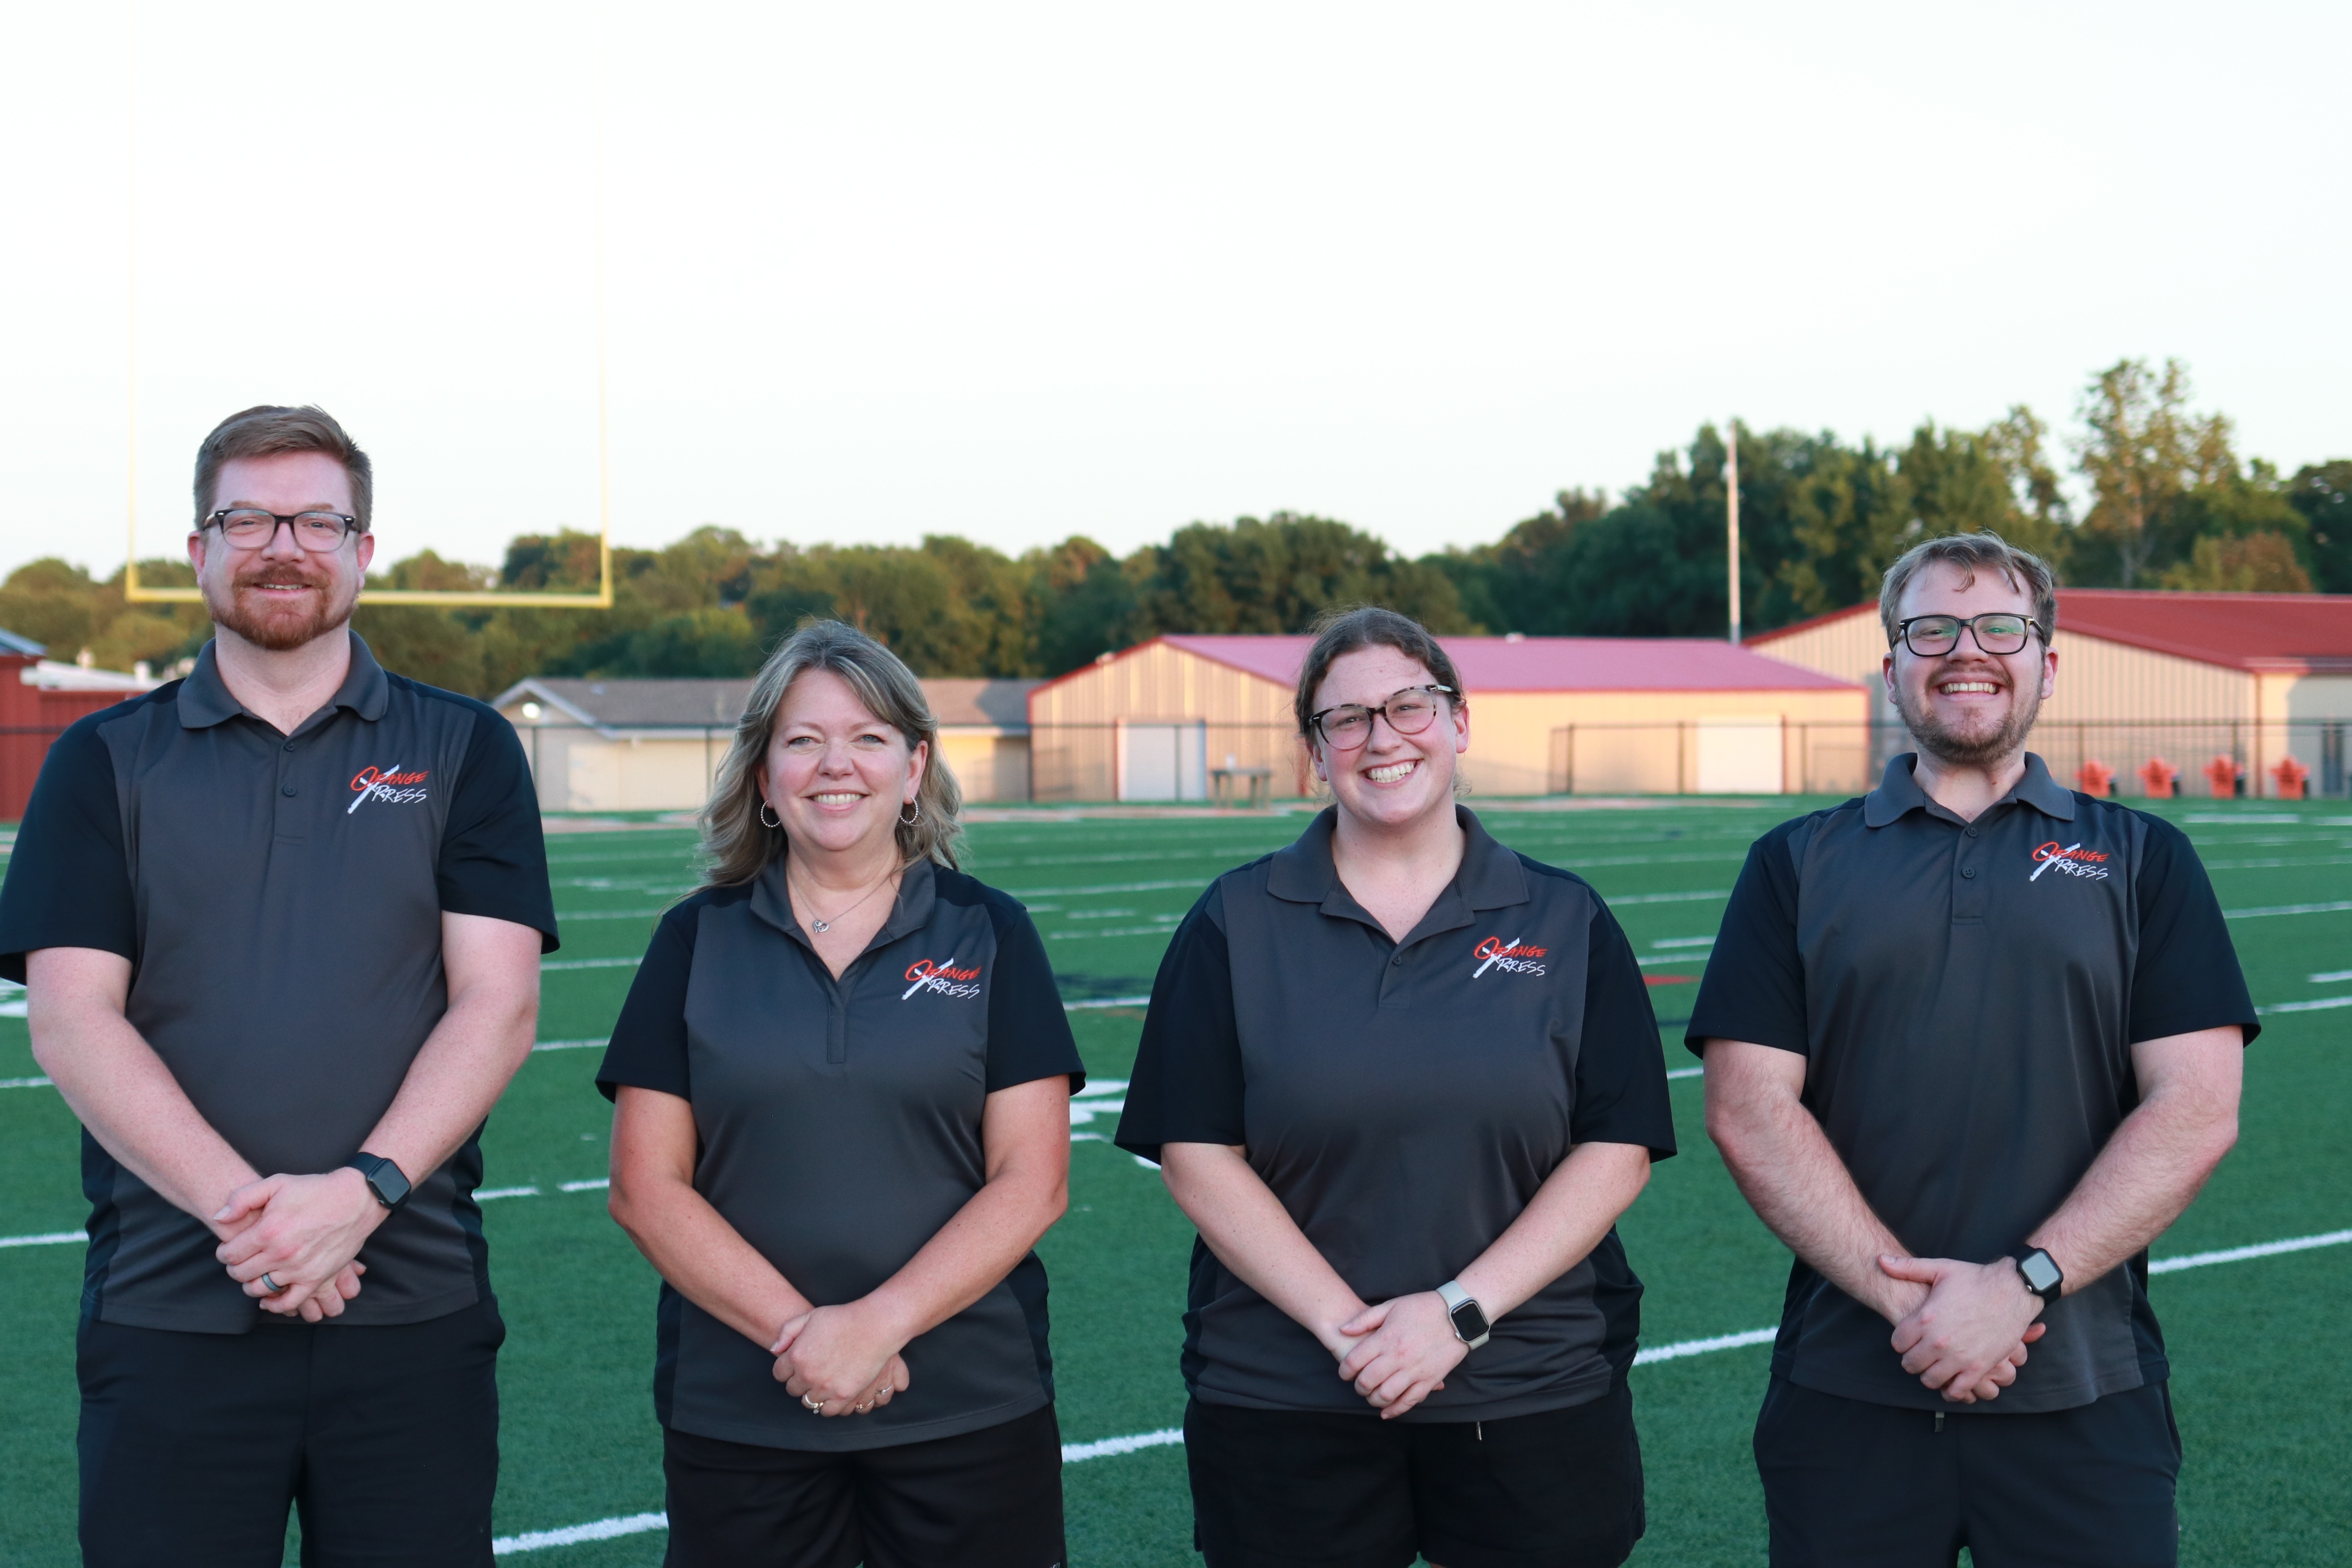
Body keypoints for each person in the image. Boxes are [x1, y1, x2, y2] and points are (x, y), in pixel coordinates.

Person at [0, 405, 557, 1565]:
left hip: (409, 1306)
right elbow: (69, 1019)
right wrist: (258, 1228)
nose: (283, 545)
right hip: (171, 1308)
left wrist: (359, 1194)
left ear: (363, 548)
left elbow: (496, 1005)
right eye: (246, 517)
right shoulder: (101, 759)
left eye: (317, 518)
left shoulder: (466, 747)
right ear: (200, 549)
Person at [1691, 531, 2257, 1567]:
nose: (1967, 650)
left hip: (2087, 1393)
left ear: (2047, 659)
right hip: (1848, 1389)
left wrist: (2022, 1286)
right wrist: (1919, 1307)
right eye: (1932, 628)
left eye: (2001, 626)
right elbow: (1748, 1108)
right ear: (1891, 660)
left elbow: (2197, 1107)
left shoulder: (2146, 860)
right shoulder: (1795, 864)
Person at [1115, 605, 1677, 1568]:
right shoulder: (1234, 921)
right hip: (1285, 1391)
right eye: (1348, 719)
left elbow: (1616, 1149)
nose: (1383, 738)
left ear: (1460, 723)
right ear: (1313, 753)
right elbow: (1197, 1153)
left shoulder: (1568, 916)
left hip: (1528, 1388)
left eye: (1410, 705)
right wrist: (1356, 1334)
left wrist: (1458, 1314)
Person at [599, 619, 1082, 1568]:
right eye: (804, 740)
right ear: (764, 774)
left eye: (868, 739)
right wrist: (809, 1341)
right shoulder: (694, 940)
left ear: (914, 770)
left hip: (966, 1402)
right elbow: (645, 1189)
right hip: (743, 1410)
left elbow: (1034, 1182)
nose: (836, 765)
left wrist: (877, 1327)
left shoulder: (993, 932)